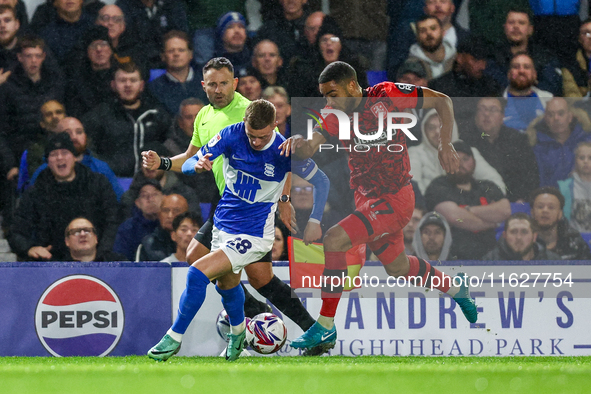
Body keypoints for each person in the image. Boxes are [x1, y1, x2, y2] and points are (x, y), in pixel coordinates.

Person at [142, 57, 328, 356]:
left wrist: (284, 199)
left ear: (235, 83)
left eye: (223, 83)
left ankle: (188, 334)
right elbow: (192, 156)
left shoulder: (250, 112)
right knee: (237, 278)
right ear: (203, 86)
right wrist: (166, 163)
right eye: (212, 84)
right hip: (227, 206)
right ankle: (244, 329)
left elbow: (288, 160)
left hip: (255, 217)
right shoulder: (206, 117)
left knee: (211, 268)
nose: (218, 89)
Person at [288, 61, 478, 352]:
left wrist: (444, 143)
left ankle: (325, 327)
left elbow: (443, 101)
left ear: (352, 86)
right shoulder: (332, 114)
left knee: (334, 239)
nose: (329, 101)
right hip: (366, 199)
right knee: (398, 267)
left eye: (333, 93)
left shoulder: (386, 94)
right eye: (325, 95)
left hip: (395, 199)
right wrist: (299, 144)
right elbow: (311, 146)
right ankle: (455, 287)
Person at [147, 100, 293, 361]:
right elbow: (194, 160)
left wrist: (285, 200)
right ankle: (238, 334)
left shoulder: (285, 149)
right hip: (224, 224)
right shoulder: (232, 134)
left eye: (262, 137)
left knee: (197, 272)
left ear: (275, 125)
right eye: (251, 135)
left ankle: (174, 336)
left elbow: (319, 174)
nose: (256, 142)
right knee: (227, 286)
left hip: (254, 233)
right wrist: (198, 165)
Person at [8, 132, 119, 260]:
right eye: (54, 155)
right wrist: (29, 248)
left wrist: (101, 253)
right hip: (52, 264)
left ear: (75, 157)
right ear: (48, 162)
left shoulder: (98, 184)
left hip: (96, 259)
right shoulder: (36, 192)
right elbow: (16, 231)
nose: (60, 158)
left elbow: (113, 220)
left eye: (65, 153)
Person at [425, 140, 511, 260]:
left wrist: (467, 210)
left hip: (489, 258)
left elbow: (505, 211)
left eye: (465, 159)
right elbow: (454, 216)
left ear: (474, 163)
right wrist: (491, 222)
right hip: (451, 259)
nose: (460, 164)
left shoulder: (486, 186)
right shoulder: (438, 186)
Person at [82, 61, 170, 177]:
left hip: (152, 182)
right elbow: (87, 147)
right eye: (122, 80)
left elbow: (170, 145)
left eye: (133, 80)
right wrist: (104, 169)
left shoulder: (157, 114)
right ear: (113, 85)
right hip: (112, 180)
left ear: (142, 85)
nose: (128, 85)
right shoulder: (99, 115)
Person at [409, 109, 506, 195]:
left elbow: (498, 185)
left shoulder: (468, 151)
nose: (437, 132)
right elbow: (411, 190)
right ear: (424, 130)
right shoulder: (415, 153)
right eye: (431, 128)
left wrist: (470, 198)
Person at [461, 97, 539, 202]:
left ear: (502, 117)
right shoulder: (464, 140)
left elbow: (531, 175)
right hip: (476, 201)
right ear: (475, 115)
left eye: (493, 110)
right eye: (482, 109)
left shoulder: (517, 140)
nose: (487, 114)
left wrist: (521, 199)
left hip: (514, 201)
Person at [0, 35, 64, 161]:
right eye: (29, 56)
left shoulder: (54, 84)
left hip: (52, 148)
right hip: (20, 152)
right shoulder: (8, 88)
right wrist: (10, 165)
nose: (33, 60)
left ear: (44, 57)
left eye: (38, 56)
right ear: (20, 57)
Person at [29, 117, 124, 201]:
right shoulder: (42, 172)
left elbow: (117, 203)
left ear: (85, 137)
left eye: (79, 132)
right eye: (68, 133)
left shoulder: (101, 168)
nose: (74, 137)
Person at [486, 7, 562, 97]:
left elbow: (552, 87)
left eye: (521, 23)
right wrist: (528, 82)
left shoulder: (545, 56)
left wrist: (520, 85)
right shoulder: (493, 55)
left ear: (530, 29)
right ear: (505, 28)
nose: (516, 27)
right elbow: (492, 86)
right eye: (511, 22)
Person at [528, 98, 591, 188]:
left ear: (570, 117)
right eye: (550, 115)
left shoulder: (587, 140)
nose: (556, 118)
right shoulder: (536, 146)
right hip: (550, 198)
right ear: (546, 119)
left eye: (561, 114)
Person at [148, 30, 207, 115]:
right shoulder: (154, 88)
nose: (176, 54)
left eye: (181, 50)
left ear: (190, 54)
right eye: (171, 51)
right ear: (163, 56)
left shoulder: (208, 83)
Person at [65, 25, 116, 118]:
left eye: (103, 44)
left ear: (111, 49)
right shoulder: (77, 82)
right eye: (93, 46)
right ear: (87, 52)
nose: (99, 49)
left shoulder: (120, 76)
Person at [16, 99, 66, 193]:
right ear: (42, 124)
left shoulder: (80, 143)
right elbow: (40, 182)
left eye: (58, 112)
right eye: (49, 114)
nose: (55, 117)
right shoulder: (35, 150)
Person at [530, 187, 591, 260]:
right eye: (540, 207)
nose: (545, 210)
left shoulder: (575, 243)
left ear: (560, 214)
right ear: (532, 212)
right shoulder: (524, 242)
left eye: (551, 207)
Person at [113, 178, 162, 261]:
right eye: (144, 196)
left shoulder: (170, 224)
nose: (150, 199)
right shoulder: (128, 229)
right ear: (137, 203)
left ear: (163, 198)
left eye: (155, 194)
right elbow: (120, 259)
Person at [502, 52, 553, 132]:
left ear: (534, 74)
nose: (521, 71)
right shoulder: (497, 101)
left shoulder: (549, 100)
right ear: (509, 74)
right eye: (516, 67)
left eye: (527, 67)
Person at [482, 212, 561, 261]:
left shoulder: (552, 260)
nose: (519, 237)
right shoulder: (489, 261)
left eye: (524, 232)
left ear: (534, 237)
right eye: (513, 232)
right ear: (505, 235)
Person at [137, 193, 189, 261]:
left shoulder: (196, 243)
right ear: (159, 214)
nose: (170, 216)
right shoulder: (148, 244)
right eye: (166, 210)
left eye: (176, 211)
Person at [405, 15, 456, 81]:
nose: (429, 33)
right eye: (423, 31)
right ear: (417, 37)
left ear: (443, 32)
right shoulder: (410, 66)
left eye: (433, 28)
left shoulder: (456, 59)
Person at [558, 141, 591, 233]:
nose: (586, 161)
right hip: (574, 239)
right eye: (581, 158)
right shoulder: (565, 187)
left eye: (590, 158)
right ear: (575, 161)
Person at [562, 19, 591, 97]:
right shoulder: (570, 67)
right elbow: (573, 100)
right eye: (586, 33)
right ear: (579, 39)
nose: (590, 37)